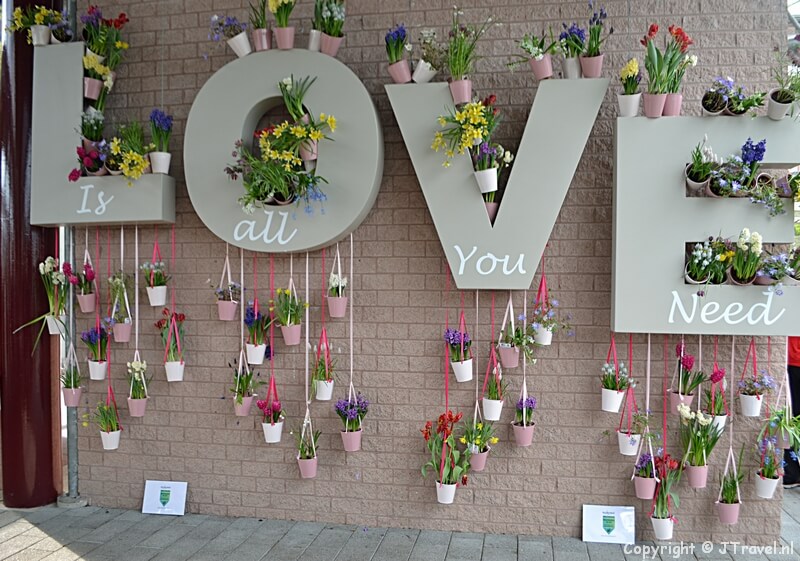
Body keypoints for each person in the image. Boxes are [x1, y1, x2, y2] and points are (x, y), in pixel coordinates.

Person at [785, 336, 800, 488]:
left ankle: (793, 473)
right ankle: (793, 472)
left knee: (793, 418)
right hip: (791, 361)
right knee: (792, 419)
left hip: (793, 361)